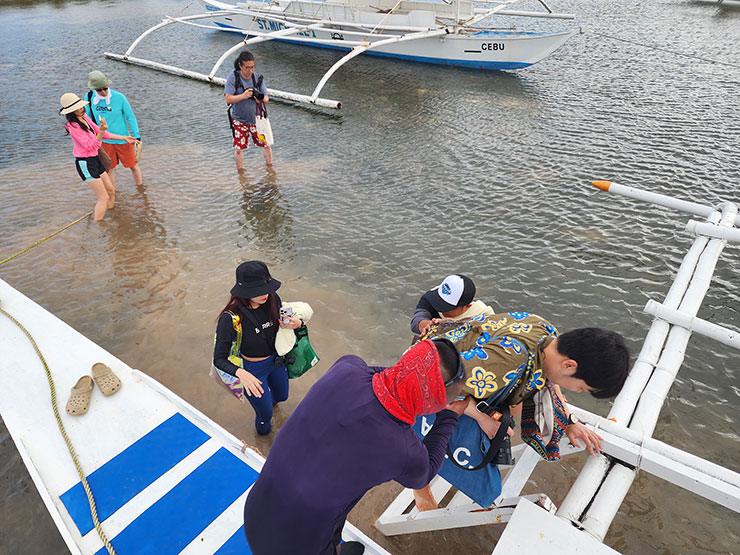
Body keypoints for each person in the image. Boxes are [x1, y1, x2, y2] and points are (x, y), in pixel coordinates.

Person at [243, 338, 469, 555]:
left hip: (255, 511)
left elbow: (384, 373)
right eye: (449, 399)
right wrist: (449, 415)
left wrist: (409, 372)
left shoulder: (348, 367)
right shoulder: (404, 451)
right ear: (434, 402)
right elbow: (425, 472)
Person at [413, 313, 631, 510]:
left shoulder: (547, 332)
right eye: (582, 388)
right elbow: (432, 384)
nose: (577, 391)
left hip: (460, 361)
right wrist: (481, 417)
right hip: (424, 374)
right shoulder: (508, 360)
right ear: (569, 365)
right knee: (469, 447)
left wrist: (570, 421)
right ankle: (419, 475)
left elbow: (547, 380)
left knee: (513, 409)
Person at [212, 261, 307, 435]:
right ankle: (263, 440)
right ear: (244, 291)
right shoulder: (230, 318)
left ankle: (266, 403)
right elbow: (219, 359)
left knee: (282, 396)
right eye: (258, 290)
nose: (265, 294)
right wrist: (242, 374)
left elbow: (285, 323)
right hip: (253, 371)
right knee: (265, 415)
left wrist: (298, 323)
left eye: (267, 287)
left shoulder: (272, 299)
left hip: (276, 361)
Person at [59, 93, 137, 221]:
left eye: (81, 107)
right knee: (103, 197)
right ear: (71, 111)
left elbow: (104, 134)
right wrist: (100, 132)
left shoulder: (84, 117)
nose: (81, 109)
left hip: (96, 159)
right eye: (78, 108)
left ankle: (112, 216)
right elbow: (92, 146)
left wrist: (123, 137)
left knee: (111, 191)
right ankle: (99, 224)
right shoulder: (73, 126)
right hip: (85, 163)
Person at [84, 70, 143, 187]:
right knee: (109, 169)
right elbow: (88, 119)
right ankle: (113, 194)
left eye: (105, 88)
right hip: (104, 141)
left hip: (124, 139)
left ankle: (141, 190)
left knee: (133, 165)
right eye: (99, 90)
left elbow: (130, 117)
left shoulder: (119, 97)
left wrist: (136, 135)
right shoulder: (89, 97)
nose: (103, 92)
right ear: (94, 89)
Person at [224, 51, 272, 170]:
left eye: (252, 67)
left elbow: (266, 97)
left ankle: (270, 170)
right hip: (239, 120)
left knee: (266, 145)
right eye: (247, 68)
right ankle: (240, 174)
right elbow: (228, 99)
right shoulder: (233, 78)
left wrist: (260, 99)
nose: (250, 71)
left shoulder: (258, 78)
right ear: (240, 65)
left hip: (257, 120)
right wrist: (243, 96)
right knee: (239, 149)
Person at [410, 274, 494, 336]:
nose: (440, 309)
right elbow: (417, 319)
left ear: (467, 306)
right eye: (439, 301)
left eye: (446, 306)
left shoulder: (483, 314)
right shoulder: (432, 296)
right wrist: (430, 325)